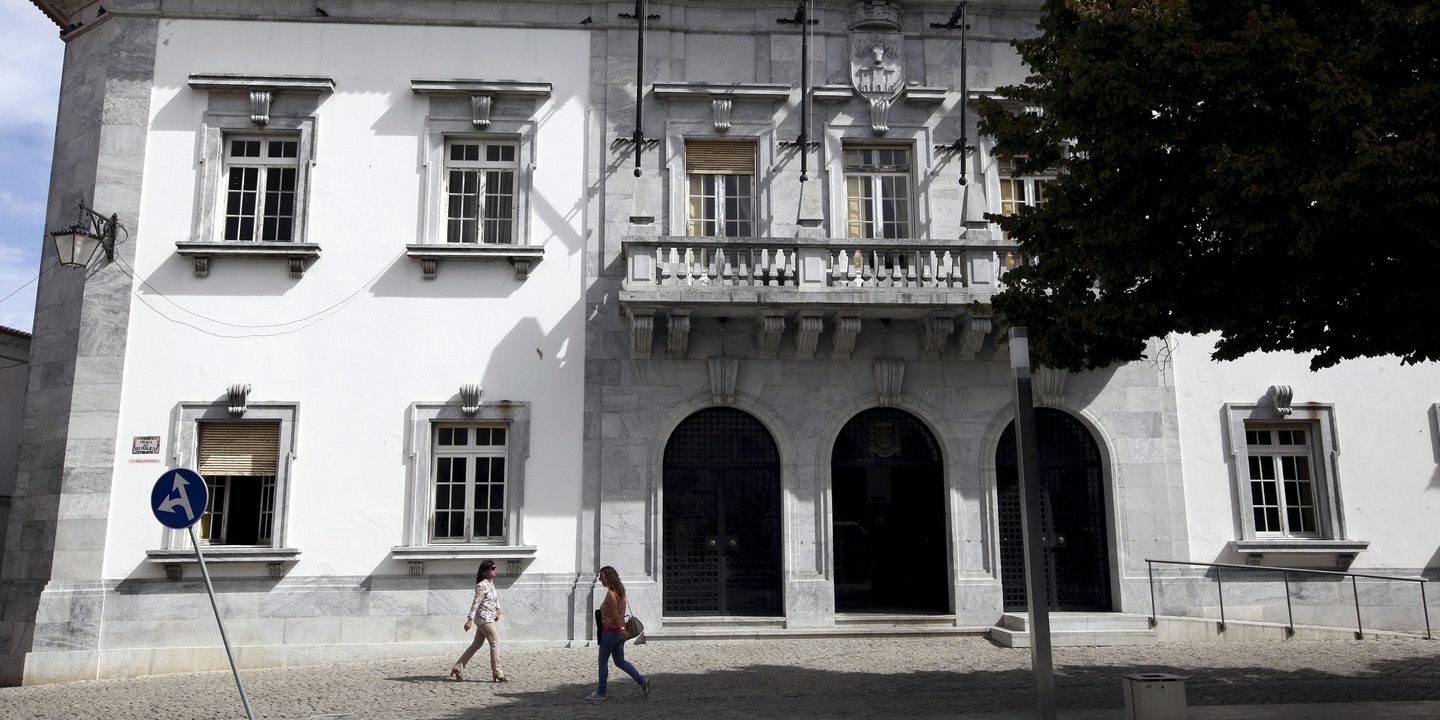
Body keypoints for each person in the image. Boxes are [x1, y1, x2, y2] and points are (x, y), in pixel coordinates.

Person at [586, 566, 649, 700]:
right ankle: (642, 681)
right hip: (618, 634)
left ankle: (601, 692)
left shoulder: (611, 593)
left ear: (608, 578)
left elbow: (616, 614)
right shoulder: (621, 592)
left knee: (602, 661)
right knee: (620, 661)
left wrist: (622, 629)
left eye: (601, 577)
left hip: (611, 632)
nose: (600, 580)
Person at [449, 559, 506, 682]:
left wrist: (498, 611)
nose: (495, 570)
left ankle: (458, 667)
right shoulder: (481, 585)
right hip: (483, 618)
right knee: (495, 642)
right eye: (492, 568)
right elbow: (476, 603)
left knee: (476, 644)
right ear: (486, 571)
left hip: (490, 616)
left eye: (495, 568)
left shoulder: (491, 583)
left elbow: (495, 600)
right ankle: (497, 671)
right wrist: (469, 619)